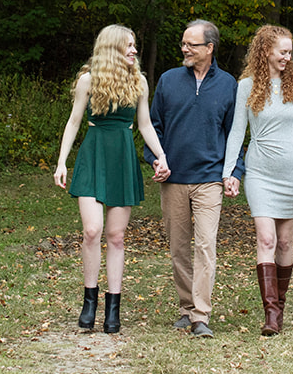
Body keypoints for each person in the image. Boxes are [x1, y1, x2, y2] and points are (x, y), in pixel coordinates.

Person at [54, 24, 170, 334]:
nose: (134, 50)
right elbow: (74, 120)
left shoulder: (140, 83)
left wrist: (161, 156)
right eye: (128, 45)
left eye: (135, 46)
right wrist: (62, 161)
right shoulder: (88, 81)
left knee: (116, 237)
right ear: (112, 48)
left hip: (121, 159)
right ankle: (89, 301)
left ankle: (113, 307)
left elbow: (145, 125)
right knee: (92, 230)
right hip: (94, 156)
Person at [144, 19, 243, 338]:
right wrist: (155, 160)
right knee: (178, 249)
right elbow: (152, 126)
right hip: (173, 178)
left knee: (205, 245)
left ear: (209, 48)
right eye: (183, 43)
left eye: (191, 44)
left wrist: (234, 172)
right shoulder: (169, 80)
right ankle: (187, 307)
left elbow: (235, 134)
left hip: (210, 178)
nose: (184, 49)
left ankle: (201, 315)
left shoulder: (229, 85)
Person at [221, 23, 293, 336]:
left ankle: (281, 304)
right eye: (283, 51)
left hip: (291, 175)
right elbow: (237, 131)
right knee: (266, 240)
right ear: (266, 51)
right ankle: (271, 315)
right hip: (259, 172)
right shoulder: (247, 86)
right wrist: (229, 171)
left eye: (290, 52)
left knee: (285, 241)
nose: (288, 57)